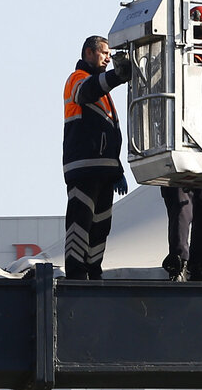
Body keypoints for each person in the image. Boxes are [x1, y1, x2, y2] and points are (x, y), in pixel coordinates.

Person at [62, 35, 131, 280]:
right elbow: (87, 92)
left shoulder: (102, 88)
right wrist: (116, 76)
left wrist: (117, 169)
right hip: (84, 166)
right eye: (104, 54)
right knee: (80, 221)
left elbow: (109, 132)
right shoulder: (77, 79)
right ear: (89, 53)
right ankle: (76, 274)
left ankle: (93, 271)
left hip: (104, 169)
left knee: (101, 226)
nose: (108, 59)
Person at [160, 6, 202, 282]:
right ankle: (179, 261)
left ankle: (200, 266)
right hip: (179, 147)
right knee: (182, 206)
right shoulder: (176, 59)